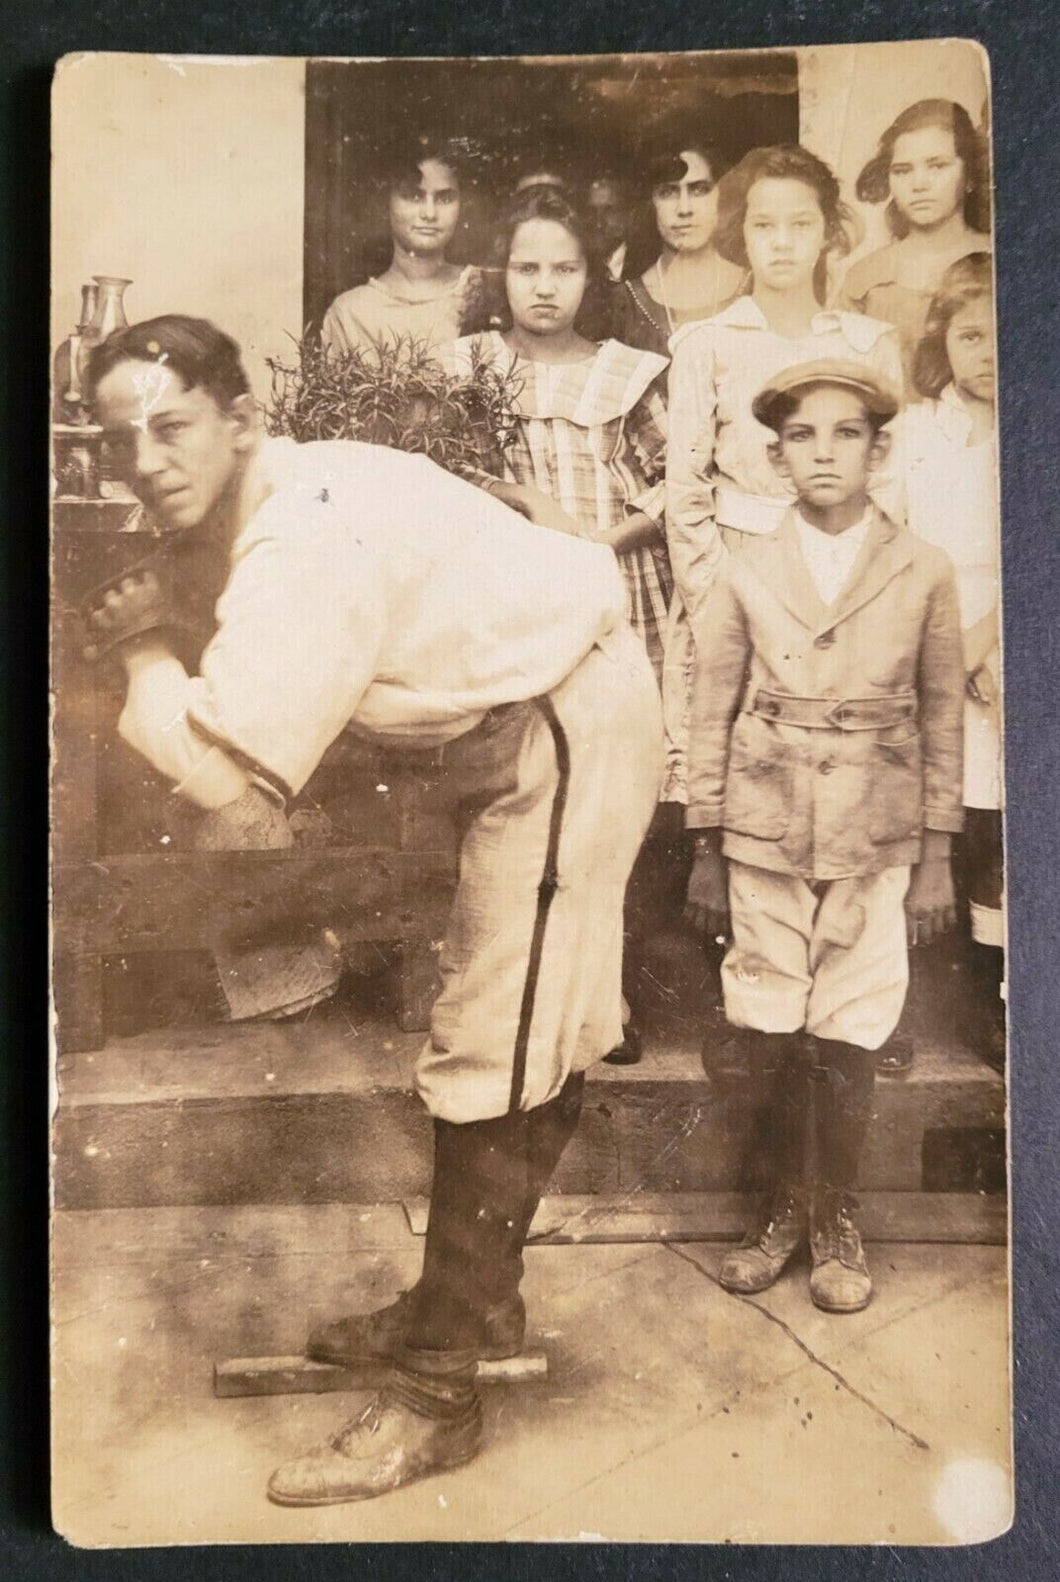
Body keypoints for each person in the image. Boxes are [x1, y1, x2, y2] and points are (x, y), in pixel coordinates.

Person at [85, 314, 663, 1506]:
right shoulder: (296, 481)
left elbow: (237, 796)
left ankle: (437, 1389)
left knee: (496, 1042)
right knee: (513, 1026)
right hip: (534, 707)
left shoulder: (306, 536)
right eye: (119, 435)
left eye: (173, 425)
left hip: (563, 724)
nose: (144, 457)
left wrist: (144, 653)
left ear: (245, 420)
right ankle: (474, 1295)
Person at [683, 359, 964, 1312]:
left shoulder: (923, 568)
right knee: (765, 1018)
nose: (825, 453)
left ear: (879, 450)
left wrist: (936, 855)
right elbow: (711, 706)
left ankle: (837, 1215)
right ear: (776, 456)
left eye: (846, 433)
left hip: (876, 832)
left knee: (851, 1019)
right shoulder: (748, 566)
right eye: (803, 436)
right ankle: (777, 1210)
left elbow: (940, 715)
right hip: (765, 824)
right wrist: (706, 846)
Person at [450, 186, 674, 1065]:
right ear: (499, 274)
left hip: (617, 599)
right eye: (527, 267)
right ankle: (522, 996)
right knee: (534, 795)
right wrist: (526, 518)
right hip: (518, 606)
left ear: (595, 273)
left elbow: (674, 488)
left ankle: (602, 1002)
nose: (545, 286)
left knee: (611, 801)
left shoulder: (628, 372)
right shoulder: (466, 367)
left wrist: (596, 543)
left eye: (565, 268)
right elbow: (452, 478)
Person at [664, 144, 903, 808]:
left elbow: (887, 487)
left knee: (832, 767)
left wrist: (863, 596)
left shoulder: (867, 344)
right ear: (741, 233)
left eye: (800, 225)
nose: (783, 243)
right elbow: (685, 490)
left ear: (829, 232)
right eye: (765, 226)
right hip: (737, 570)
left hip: (841, 576)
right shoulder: (708, 344)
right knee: (738, 763)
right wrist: (715, 600)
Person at [900, 254, 1004, 1068]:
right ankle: (892, 1006)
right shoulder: (914, 433)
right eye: (972, 335)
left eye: (1007, 336)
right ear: (945, 338)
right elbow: (899, 548)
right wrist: (950, 644)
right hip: (928, 631)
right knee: (924, 810)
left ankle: (997, 1003)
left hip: (1011, 637)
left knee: (998, 823)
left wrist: (995, 637)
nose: (990, 353)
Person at [837, 100, 991, 382]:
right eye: (903, 170)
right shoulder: (865, 277)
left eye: (937, 166)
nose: (919, 184)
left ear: (969, 176)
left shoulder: (995, 258)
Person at [320, 136, 487, 358]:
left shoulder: (486, 290)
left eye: (445, 198)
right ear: (386, 202)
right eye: (413, 196)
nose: (429, 213)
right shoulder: (350, 313)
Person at [610, 141, 746, 359]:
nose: (684, 209)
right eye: (668, 192)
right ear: (650, 203)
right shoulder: (623, 306)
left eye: (700, 190)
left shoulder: (755, 288)